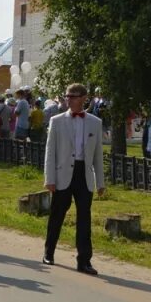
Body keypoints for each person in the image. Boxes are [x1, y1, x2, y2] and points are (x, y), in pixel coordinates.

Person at [43, 83, 105, 275]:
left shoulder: (95, 122)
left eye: (73, 96)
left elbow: (97, 155)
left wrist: (100, 182)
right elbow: (50, 152)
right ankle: (49, 251)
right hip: (62, 174)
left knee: (84, 218)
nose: (68, 99)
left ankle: (84, 260)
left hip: (84, 174)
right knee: (57, 214)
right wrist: (49, 178)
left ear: (83, 98)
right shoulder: (57, 120)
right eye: (67, 96)